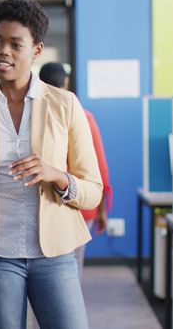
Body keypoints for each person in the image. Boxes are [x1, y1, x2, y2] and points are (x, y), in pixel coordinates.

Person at [0, 0, 102, 329]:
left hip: (54, 256)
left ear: (37, 50)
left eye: (16, 44)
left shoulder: (65, 105)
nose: (3, 51)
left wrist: (57, 175)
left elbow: (93, 191)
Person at [39, 62, 113, 276]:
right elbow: (98, 165)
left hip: (48, 206)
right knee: (71, 271)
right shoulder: (82, 114)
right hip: (81, 205)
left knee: (46, 271)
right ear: (66, 82)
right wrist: (102, 209)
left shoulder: (31, 116)